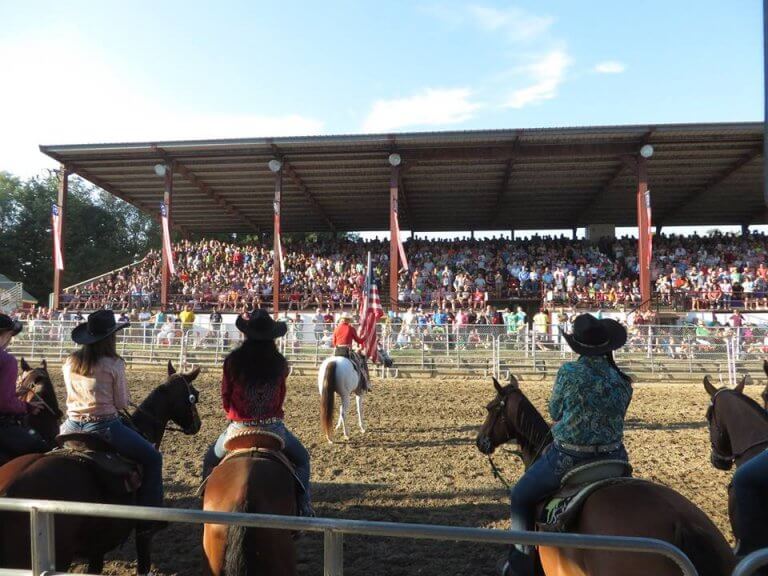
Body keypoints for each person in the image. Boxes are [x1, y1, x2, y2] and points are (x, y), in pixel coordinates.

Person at [500, 314, 632, 576]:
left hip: (570, 456)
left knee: (520, 496)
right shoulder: (622, 380)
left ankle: (521, 561)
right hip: (614, 457)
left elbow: (554, 410)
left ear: (578, 345)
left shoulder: (569, 372)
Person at [59, 310, 165, 532]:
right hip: (104, 426)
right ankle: (150, 516)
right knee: (153, 458)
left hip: (69, 425)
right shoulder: (113, 364)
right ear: (110, 337)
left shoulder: (70, 362)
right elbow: (121, 403)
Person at [201, 309, 313, 517]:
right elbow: (280, 397)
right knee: (303, 460)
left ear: (246, 334)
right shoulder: (280, 364)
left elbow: (226, 396)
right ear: (272, 338)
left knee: (209, 460)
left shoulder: (233, 362)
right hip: (273, 428)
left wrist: (234, 414)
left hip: (239, 428)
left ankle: (204, 506)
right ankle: (304, 505)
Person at [0, 313, 47, 460]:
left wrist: (13, 394)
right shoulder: (7, 360)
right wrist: (27, 407)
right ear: (5, 335)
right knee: (43, 450)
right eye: (10, 335)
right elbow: (4, 402)